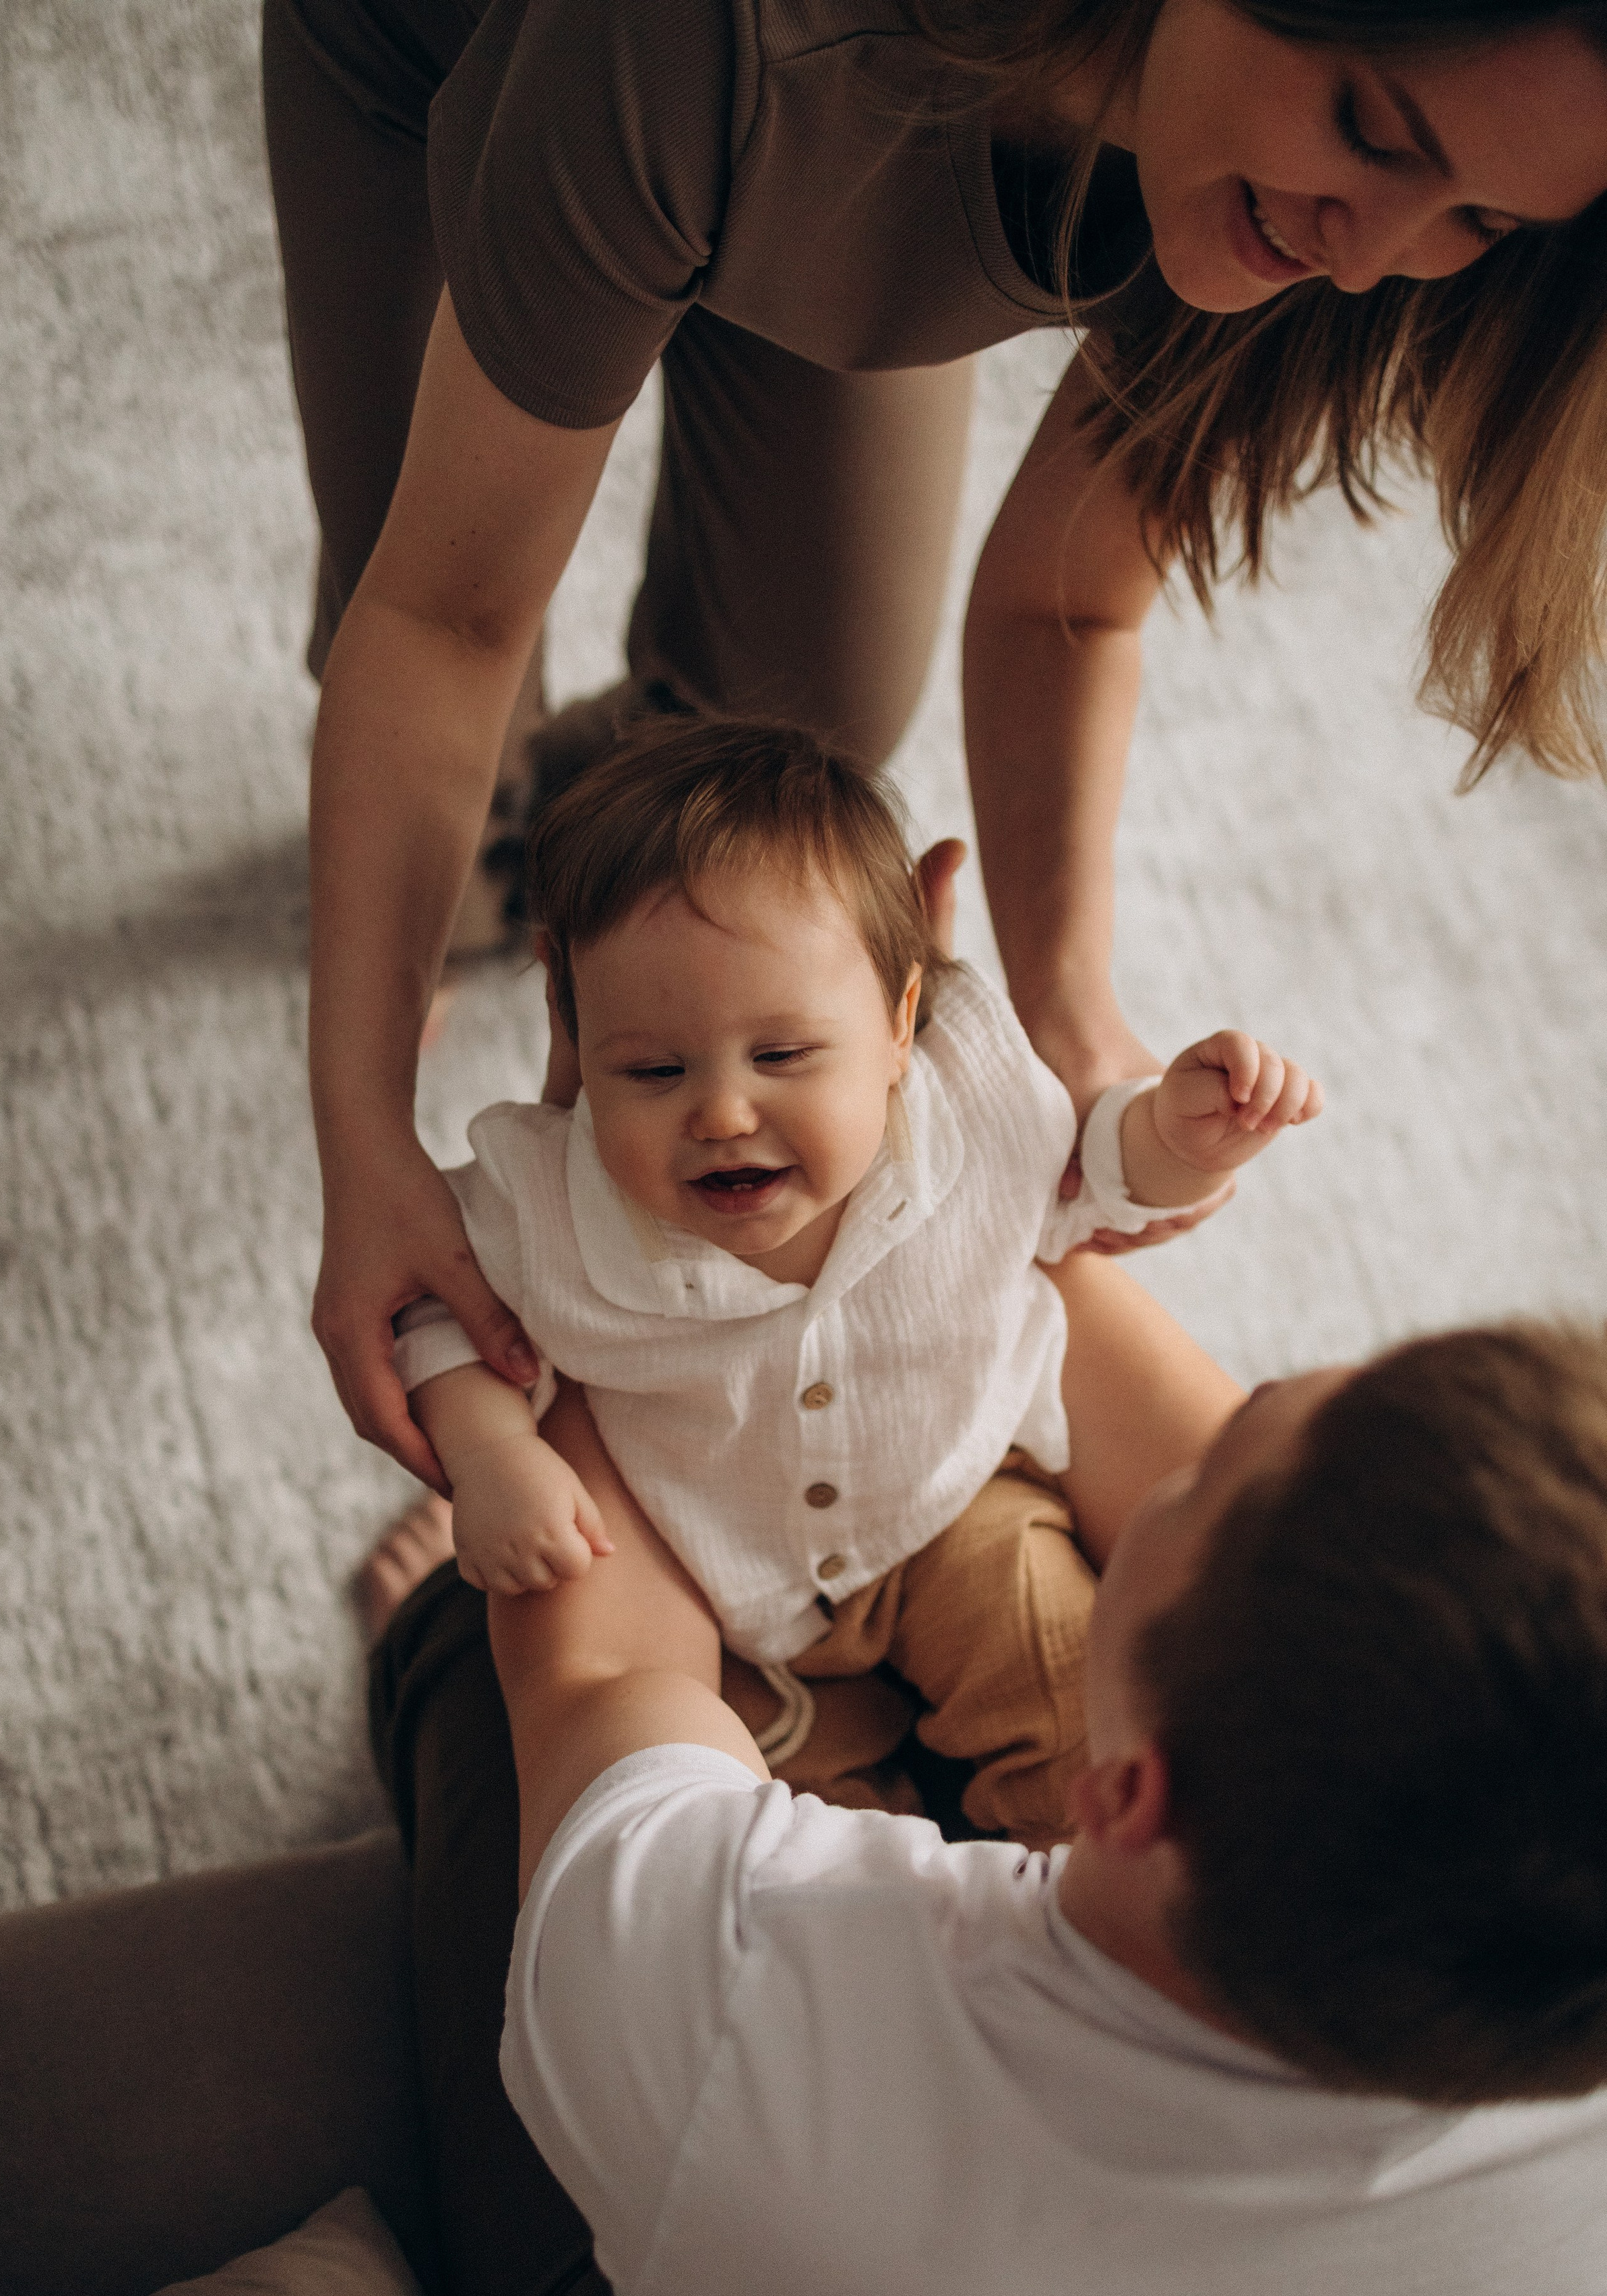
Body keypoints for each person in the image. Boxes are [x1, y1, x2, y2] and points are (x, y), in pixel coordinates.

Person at [261, 0, 1607, 1480]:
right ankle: (466, 901)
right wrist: (365, 1132)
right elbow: (446, 619)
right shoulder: (720, 48)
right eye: (1365, 129)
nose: (1363, 254)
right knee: (440, 775)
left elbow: (1069, 604)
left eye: (1476, 215)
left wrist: (1069, 1005)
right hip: (474, 53)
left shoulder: (1335, 222)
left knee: (798, 745)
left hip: (860, 114)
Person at [368, 1255, 1607, 2296]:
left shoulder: (750, 1995)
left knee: (494, 1656)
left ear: (1131, 1799)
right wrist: (982, 1190)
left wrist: (595, 1271)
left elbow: (603, 1671)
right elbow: (1311, 1606)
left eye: (1202, 1474)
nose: (1190, 1442)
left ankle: (414, 1646)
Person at [392, 715, 1319, 1837]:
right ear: (577, 1042)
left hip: (961, 1500)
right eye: (652, 1069)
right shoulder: (548, 1200)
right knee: (800, 1846)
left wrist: (1180, 1134)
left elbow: (1087, 1180)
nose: (724, 1113)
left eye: (782, 1056)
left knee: (1080, 1707)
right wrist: (492, 1455)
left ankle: (1074, 1927)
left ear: (899, 1028)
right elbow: (438, 1302)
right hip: (724, 1591)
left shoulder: (968, 1104)